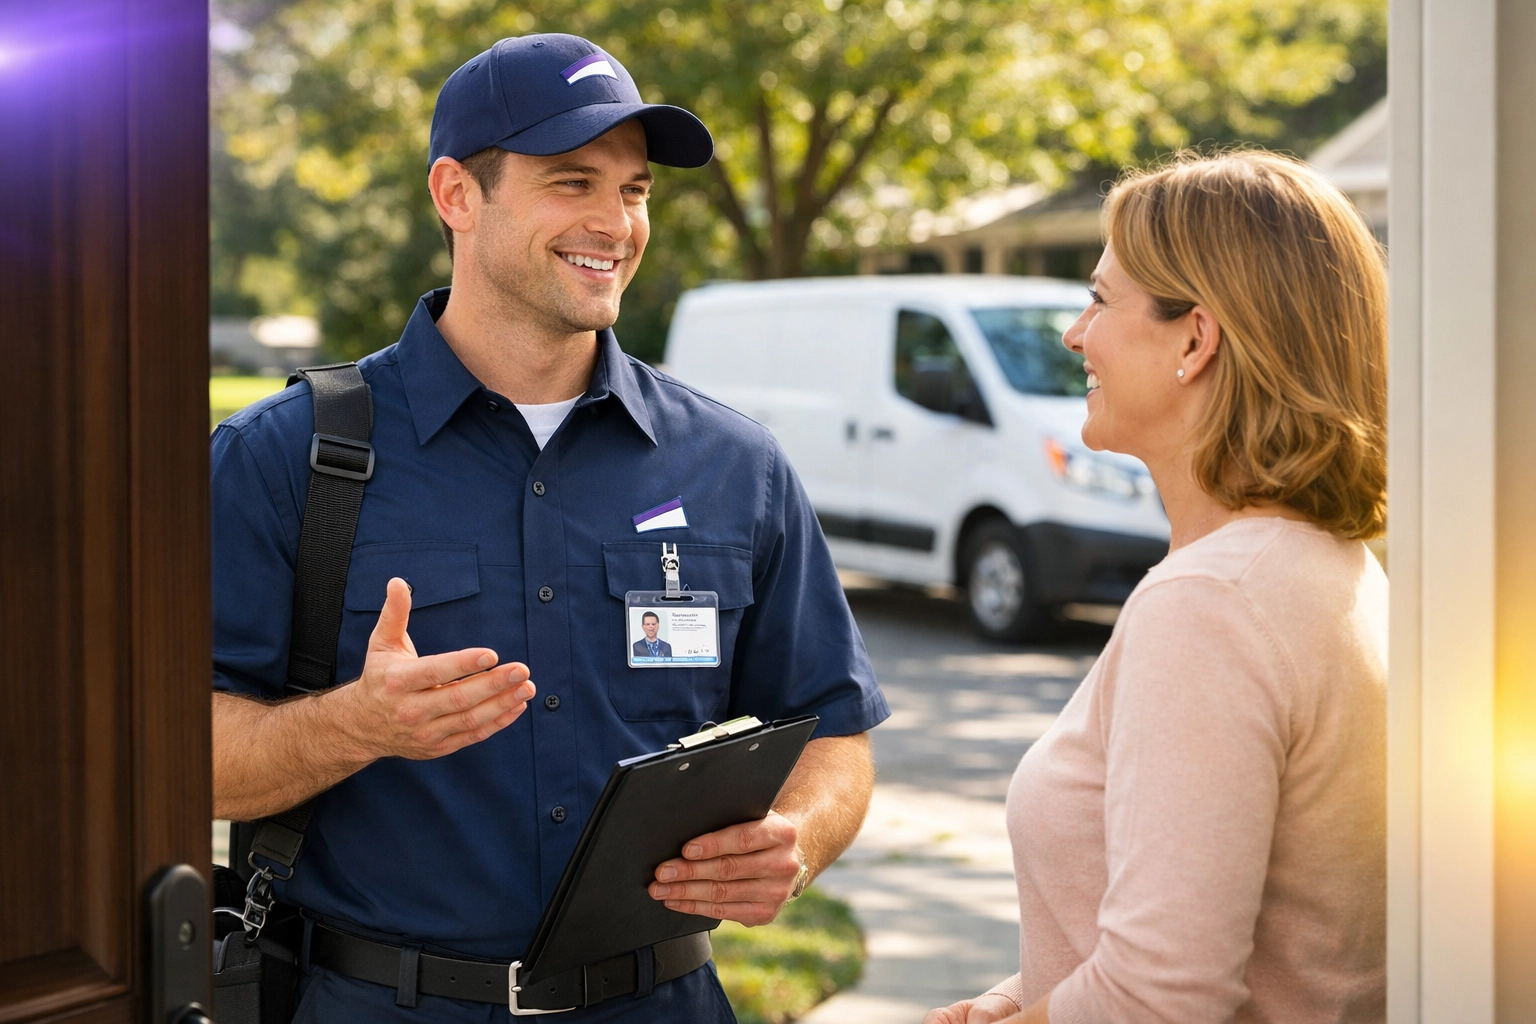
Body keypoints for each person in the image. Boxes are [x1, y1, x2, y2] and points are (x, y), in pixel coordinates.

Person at [210, 33, 888, 1023]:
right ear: (456, 195)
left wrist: (795, 833)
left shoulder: (735, 464)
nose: (615, 221)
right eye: (573, 182)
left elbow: (838, 731)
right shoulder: (287, 457)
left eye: (636, 190)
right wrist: (352, 725)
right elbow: (177, 757)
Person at [926, 150, 1388, 1024]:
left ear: (1195, 339)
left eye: (1099, 299)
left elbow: (1163, 994)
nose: (1074, 333)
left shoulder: (1210, 607)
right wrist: (1023, 998)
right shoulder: (1325, 567)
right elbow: (1273, 935)